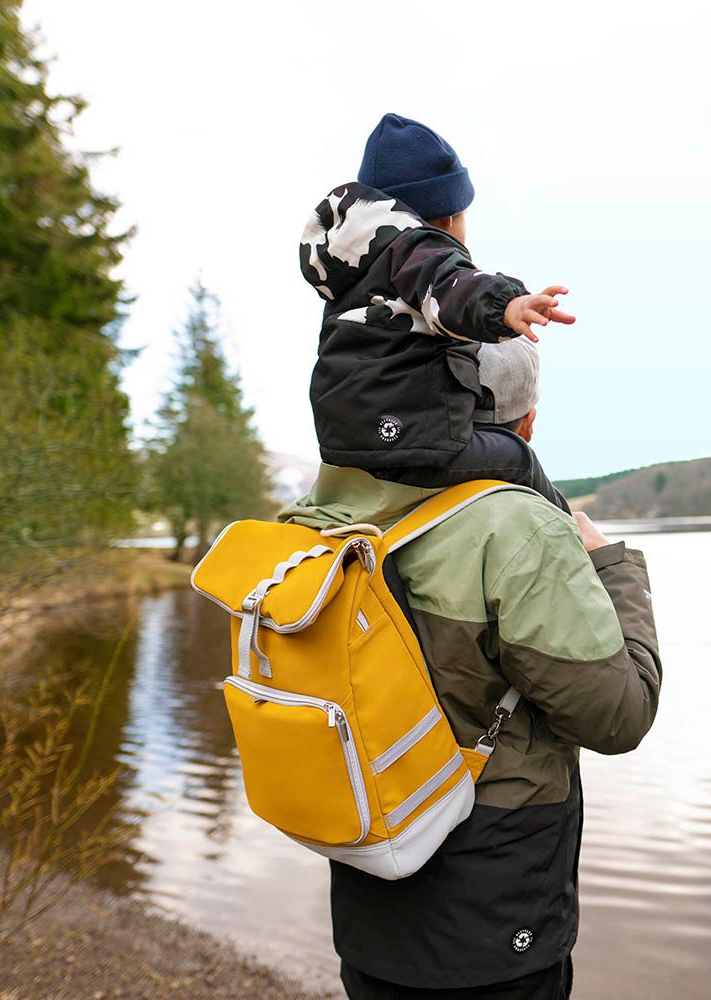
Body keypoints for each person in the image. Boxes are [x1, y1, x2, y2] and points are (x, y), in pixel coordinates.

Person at [279, 339, 663, 999]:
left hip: (370, 865)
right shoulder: (519, 530)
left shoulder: (329, 514)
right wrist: (612, 568)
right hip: (492, 909)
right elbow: (619, 716)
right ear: (528, 423)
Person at [299, 112, 574, 512]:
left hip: (343, 447)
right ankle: (570, 534)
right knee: (517, 458)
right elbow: (450, 288)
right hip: (411, 446)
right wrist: (508, 304)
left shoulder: (354, 275)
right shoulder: (416, 251)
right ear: (447, 217)